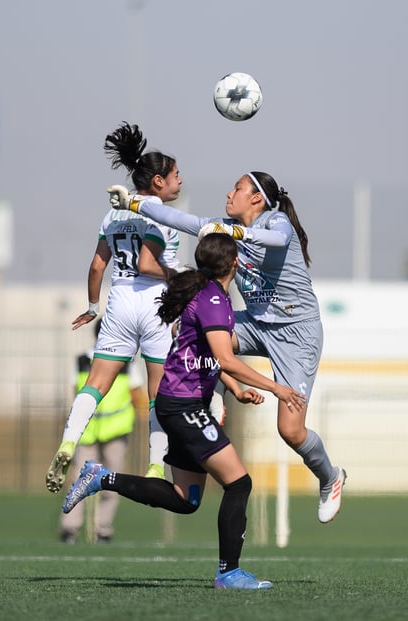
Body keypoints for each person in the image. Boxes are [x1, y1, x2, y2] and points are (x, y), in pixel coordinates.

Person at [61, 233, 306, 589]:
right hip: (184, 405)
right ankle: (229, 572)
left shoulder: (205, 294)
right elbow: (225, 358)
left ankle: (101, 477)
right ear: (234, 265)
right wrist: (277, 388)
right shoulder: (212, 299)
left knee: (186, 499)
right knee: (239, 483)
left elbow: (204, 356)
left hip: (179, 403)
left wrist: (236, 389)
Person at [107, 171, 347, 524]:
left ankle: (330, 476)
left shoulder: (275, 220)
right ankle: (214, 397)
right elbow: (183, 219)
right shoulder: (226, 226)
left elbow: (277, 240)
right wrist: (133, 203)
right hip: (256, 322)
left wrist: (237, 232)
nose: (229, 193)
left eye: (237, 188)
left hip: (297, 332)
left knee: (291, 431)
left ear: (256, 198)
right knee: (198, 333)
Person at [46, 122, 182, 494]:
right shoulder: (159, 212)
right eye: (175, 175)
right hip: (154, 302)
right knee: (157, 392)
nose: (179, 181)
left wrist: (93, 306)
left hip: (118, 302)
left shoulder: (112, 214)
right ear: (157, 181)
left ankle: (69, 442)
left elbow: (95, 267)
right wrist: (180, 276)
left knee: (96, 383)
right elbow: (147, 264)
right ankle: (156, 466)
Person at [59, 319, 145, 544]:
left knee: (110, 481)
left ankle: (101, 530)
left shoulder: (127, 363)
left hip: (114, 430)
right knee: (81, 480)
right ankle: (71, 528)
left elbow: (135, 394)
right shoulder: (82, 362)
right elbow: (138, 396)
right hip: (89, 432)